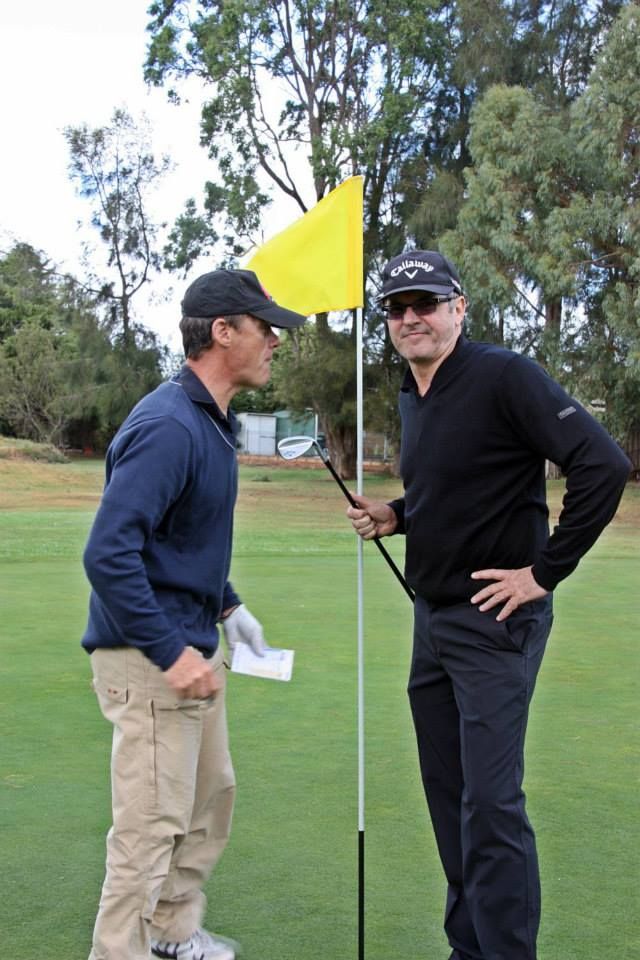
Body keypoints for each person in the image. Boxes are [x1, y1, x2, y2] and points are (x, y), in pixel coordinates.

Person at [347, 250, 630, 960]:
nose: (410, 317)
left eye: (425, 303)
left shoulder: (504, 375)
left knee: (492, 804)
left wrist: (545, 571)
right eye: (396, 308)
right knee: (449, 797)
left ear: (459, 307)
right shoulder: (414, 392)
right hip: (433, 622)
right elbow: (455, 487)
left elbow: (603, 464)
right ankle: (470, 947)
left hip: (496, 623)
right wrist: (398, 515)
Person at [81, 268, 306, 960]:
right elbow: (109, 552)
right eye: (265, 327)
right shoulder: (169, 425)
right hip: (151, 658)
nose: (276, 340)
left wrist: (227, 604)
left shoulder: (210, 421)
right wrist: (169, 652)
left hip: (191, 643)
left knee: (210, 800)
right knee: (149, 830)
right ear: (223, 332)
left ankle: (172, 933)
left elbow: (177, 539)